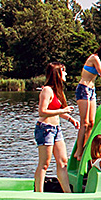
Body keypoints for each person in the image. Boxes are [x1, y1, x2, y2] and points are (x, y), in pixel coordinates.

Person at [34, 62, 79, 192]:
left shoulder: (57, 91)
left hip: (56, 129)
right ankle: (39, 193)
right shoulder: (47, 90)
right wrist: (62, 111)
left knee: (63, 162)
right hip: (45, 129)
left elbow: (56, 110)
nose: (66, 74)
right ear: (57, 74)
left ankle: (68, 193)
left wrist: (70, 119)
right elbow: (42, 111)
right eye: (64, 71)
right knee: (45, 163)